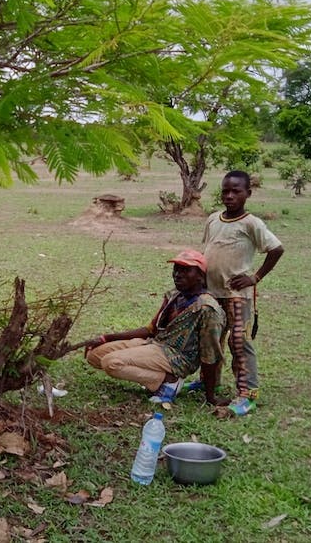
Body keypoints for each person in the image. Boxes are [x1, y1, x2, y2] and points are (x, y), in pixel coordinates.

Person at [84, 250, 226, 406]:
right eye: (176, 269)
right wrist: (106, 338)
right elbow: (151, 329)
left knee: (111, 363)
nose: (178, 274)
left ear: (200, 276)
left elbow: (209, 355)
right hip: (156, 344)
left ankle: (171, 380)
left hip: (178, 358)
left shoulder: (207, 308)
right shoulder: (175, 296)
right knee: (94, 355)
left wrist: (210, 397)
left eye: (186, 270)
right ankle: (159, 376)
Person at [199, 170, 284, 417]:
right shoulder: (213, 219)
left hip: (237, 294)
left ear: (248, 193)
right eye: (225, 190)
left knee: (239, 341)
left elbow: (276, 249)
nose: (229, 195)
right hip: (211, 293)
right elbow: (208, 250)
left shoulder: (251, 223)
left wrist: (255, 277)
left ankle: (247, 394)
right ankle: (208, 382)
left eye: (236, 191)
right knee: (210, 339)